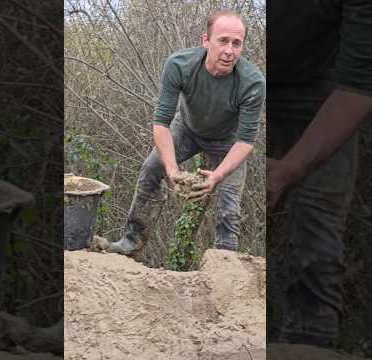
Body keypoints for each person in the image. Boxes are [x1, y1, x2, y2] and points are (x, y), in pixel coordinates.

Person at [267, 0, 372, 348]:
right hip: (244, 75)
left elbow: (358, 85)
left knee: (319, 226)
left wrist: (287, 169)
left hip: (320, 88)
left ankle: (309, 342)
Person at [105, 10, 265, 255]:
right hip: (187, 128)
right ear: (206, 40)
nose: (229, 51)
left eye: (237, 43)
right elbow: (161, 124)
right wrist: (172, 170)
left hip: (228, 141)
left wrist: (217, 176)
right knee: (150, 170)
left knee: (230, 203)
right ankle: (131, 241)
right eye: (222, 41)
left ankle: (226, 263)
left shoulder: (252, 82)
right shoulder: (180, 65)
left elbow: (245, 141)